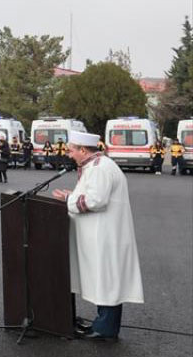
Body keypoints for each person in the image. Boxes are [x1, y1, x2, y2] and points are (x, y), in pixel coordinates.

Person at [50, 131, 144, 341]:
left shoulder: (100, 168)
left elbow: (95, 201)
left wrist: (68, 200)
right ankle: (103, 324)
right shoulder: (96, 166)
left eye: (72, 150)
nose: (69, 154)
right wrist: (71, 196)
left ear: (83, 150)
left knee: (107, 280)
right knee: (105, 279)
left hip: (104, 236)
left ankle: (105, 330)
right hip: (101, 235)